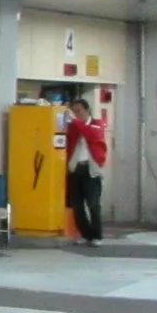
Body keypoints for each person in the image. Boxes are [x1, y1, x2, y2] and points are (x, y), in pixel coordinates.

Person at [66, 98, 108, 245]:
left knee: (93, 203)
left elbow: (92, 135)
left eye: (79, 111)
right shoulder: (73, 127)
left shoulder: (97, 123)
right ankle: (85, 234)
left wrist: (76, 121)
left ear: (87, 110)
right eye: (74, 112)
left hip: (91, 168)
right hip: (76, 167)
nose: (77, 114)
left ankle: (97, 235)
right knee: (77, 205)